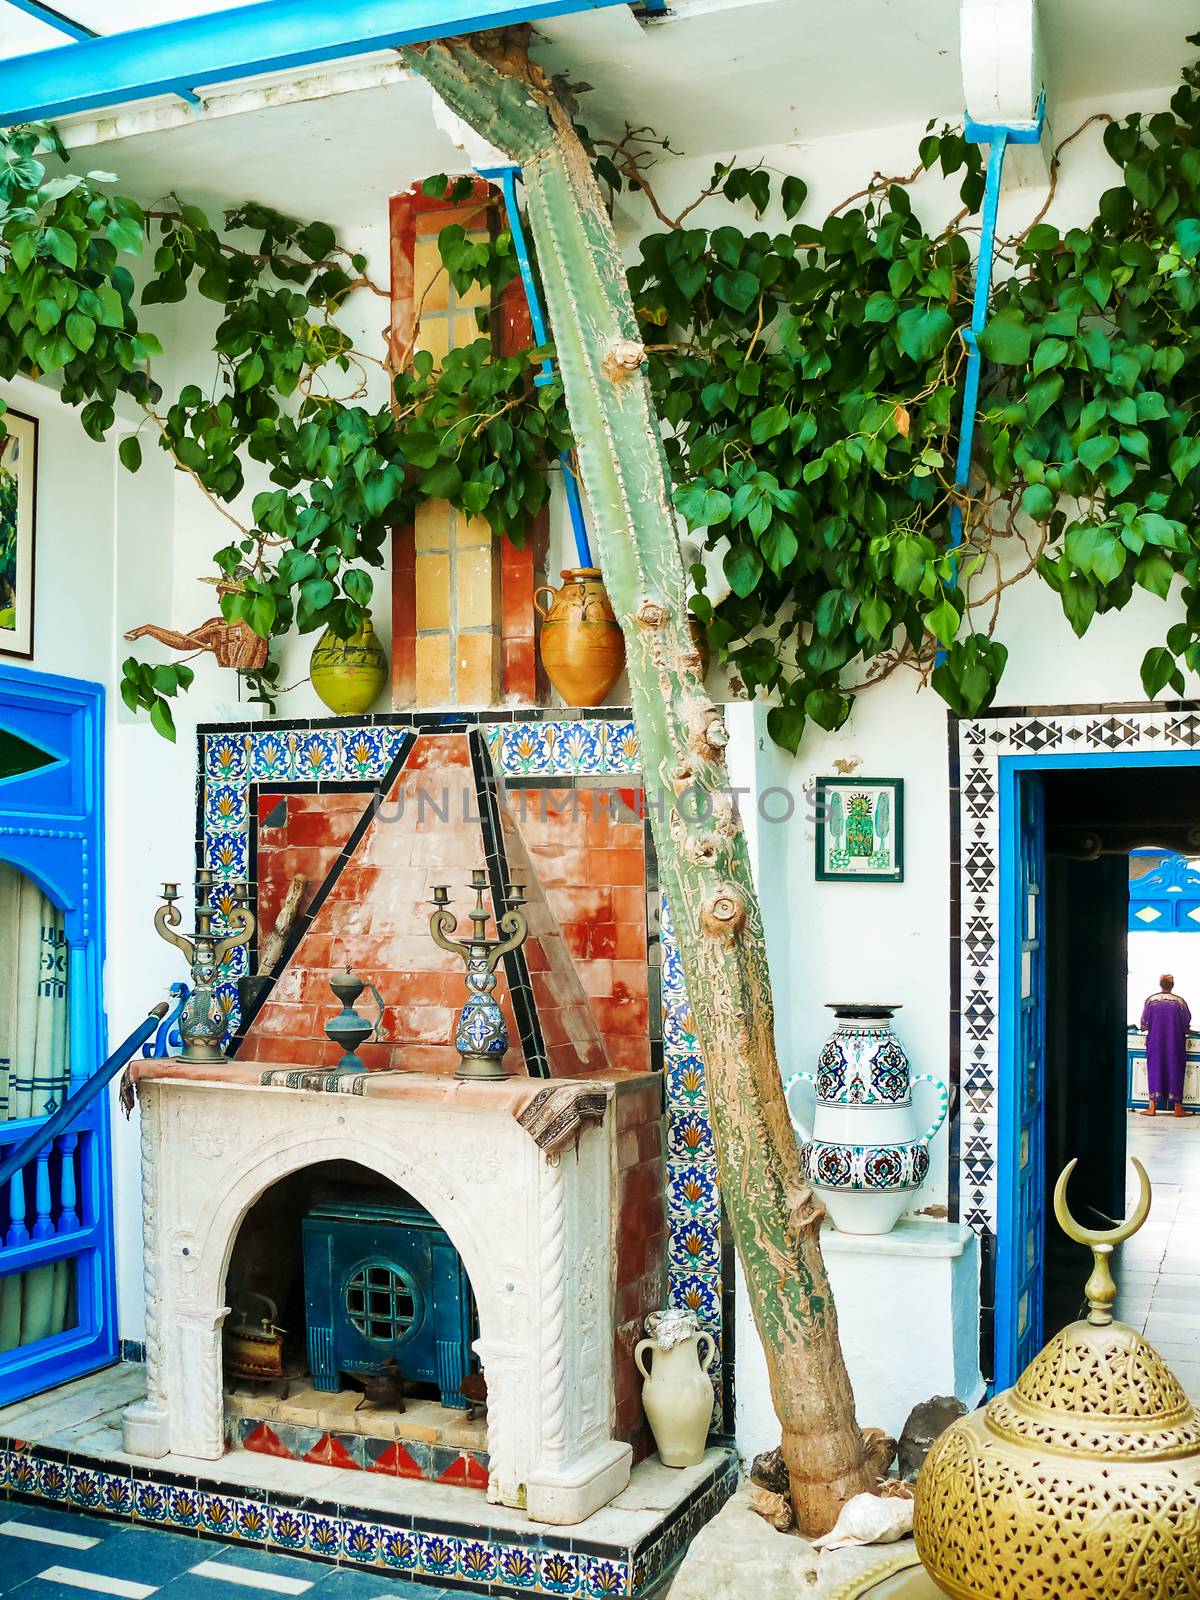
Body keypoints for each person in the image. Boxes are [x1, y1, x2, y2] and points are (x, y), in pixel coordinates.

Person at [1140, 974, 1192, 1117]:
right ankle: (1178, 1109)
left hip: (1155, 1043)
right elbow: (1186, 1024)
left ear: (1160, 984)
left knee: (1154, 1070)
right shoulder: (1180, 1002)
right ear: (1172, 985)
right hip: (1175, 1043)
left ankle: (1152, 1108)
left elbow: (1144, 1024)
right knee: (1176, 1070)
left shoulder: (1151, 1000)